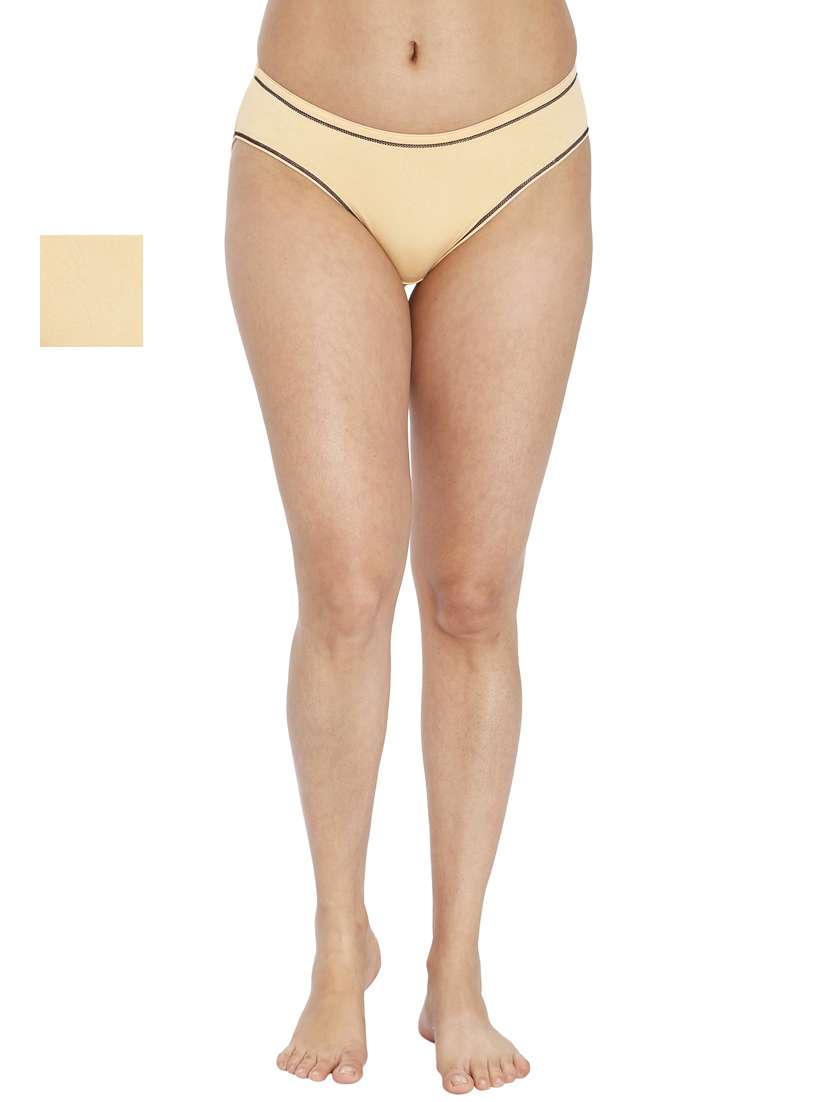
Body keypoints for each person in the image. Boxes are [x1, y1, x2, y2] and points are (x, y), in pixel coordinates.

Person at [225, 0, 592, 1092]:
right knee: (344, 588)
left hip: (520, 151)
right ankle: (340, 941)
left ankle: (457, 965)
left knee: (474, 596)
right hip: (310, 148)